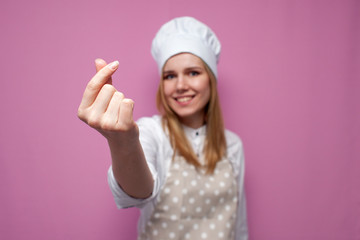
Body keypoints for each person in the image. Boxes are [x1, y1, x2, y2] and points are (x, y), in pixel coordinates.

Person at [78, 16, 248, 240]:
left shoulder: (232, 145)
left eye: (193, 73)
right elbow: (138, 192)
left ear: (211, 80)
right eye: (170, 76)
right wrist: (123, 141)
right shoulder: (152, 132)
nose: (180, 86)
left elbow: (239, 225)